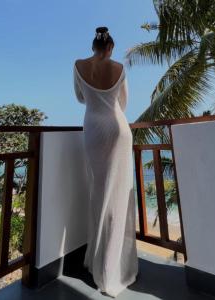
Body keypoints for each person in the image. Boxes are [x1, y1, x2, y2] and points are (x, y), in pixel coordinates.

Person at [73, 26, 138, 298]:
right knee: (119, 198)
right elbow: (123, 104)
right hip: (118, 130)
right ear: (110, 47)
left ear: (93, 46)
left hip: (93, 131)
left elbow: (79, 97)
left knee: (99, 193)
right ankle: (111, 269)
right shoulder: (119, 68)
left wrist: (94, 98)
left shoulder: (78, 65)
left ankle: (96, 259)